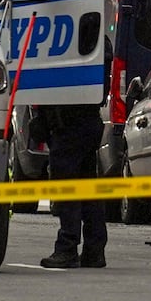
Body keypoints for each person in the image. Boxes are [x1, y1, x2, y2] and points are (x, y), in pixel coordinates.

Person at [38, 104, 107, 269]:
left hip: (67, 124)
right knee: (87, 187)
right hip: (87, 121)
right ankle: (94, 250)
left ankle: (67, 248)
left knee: (66, 187)